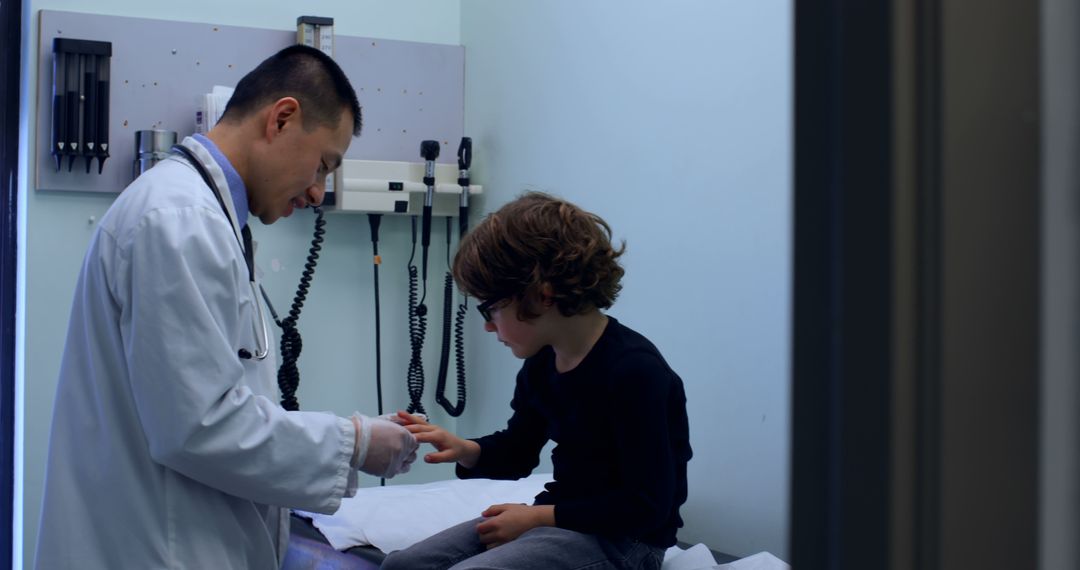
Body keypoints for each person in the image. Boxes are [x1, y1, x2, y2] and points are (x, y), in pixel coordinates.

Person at [34, 45, 418, 569]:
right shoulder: (178, 220)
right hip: (158, 547)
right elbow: (199, 427)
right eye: (323, 165)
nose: (316, 192)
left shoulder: (202, 217)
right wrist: (354, 443)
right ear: (282, 119)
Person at [381, 192, 693, 570]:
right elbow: (518, 452)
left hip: (626, 541)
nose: (488, 324)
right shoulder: (543, 363)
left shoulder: (634, 372)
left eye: (492, 308)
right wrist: (464, 449)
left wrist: (537, 518)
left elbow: (646, 507)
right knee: (401, 566)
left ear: (541, 296)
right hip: (562, 520)